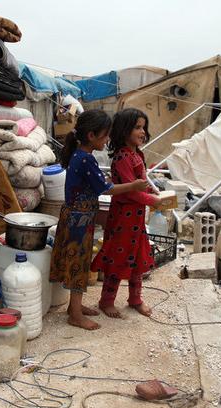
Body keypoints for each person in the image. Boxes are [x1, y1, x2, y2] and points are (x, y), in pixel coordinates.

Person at [50, 110, 149, 330]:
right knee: (78, 265)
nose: (107, 140)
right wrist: (133, 186)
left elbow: (96, 183)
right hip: (79, 220)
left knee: (79, 262)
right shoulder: (86, 159)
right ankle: (75, 315)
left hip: (75, 216)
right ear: (92, 135)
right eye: (105, 135)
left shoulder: (79, 155)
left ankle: (74, 307)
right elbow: (106, 189)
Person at [91, 108, 161, 319]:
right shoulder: (122, 157)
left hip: (137, 217)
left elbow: (141, 184)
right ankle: (106, 301)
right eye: (137, 127)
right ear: (124, 130)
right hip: (123, 217)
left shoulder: (137, 153)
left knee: (137, 257)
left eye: (143, 127)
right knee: (118, 257)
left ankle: (135, 299)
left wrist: (152, 192)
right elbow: (130, 192)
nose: (142, 132)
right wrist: (153, 201)